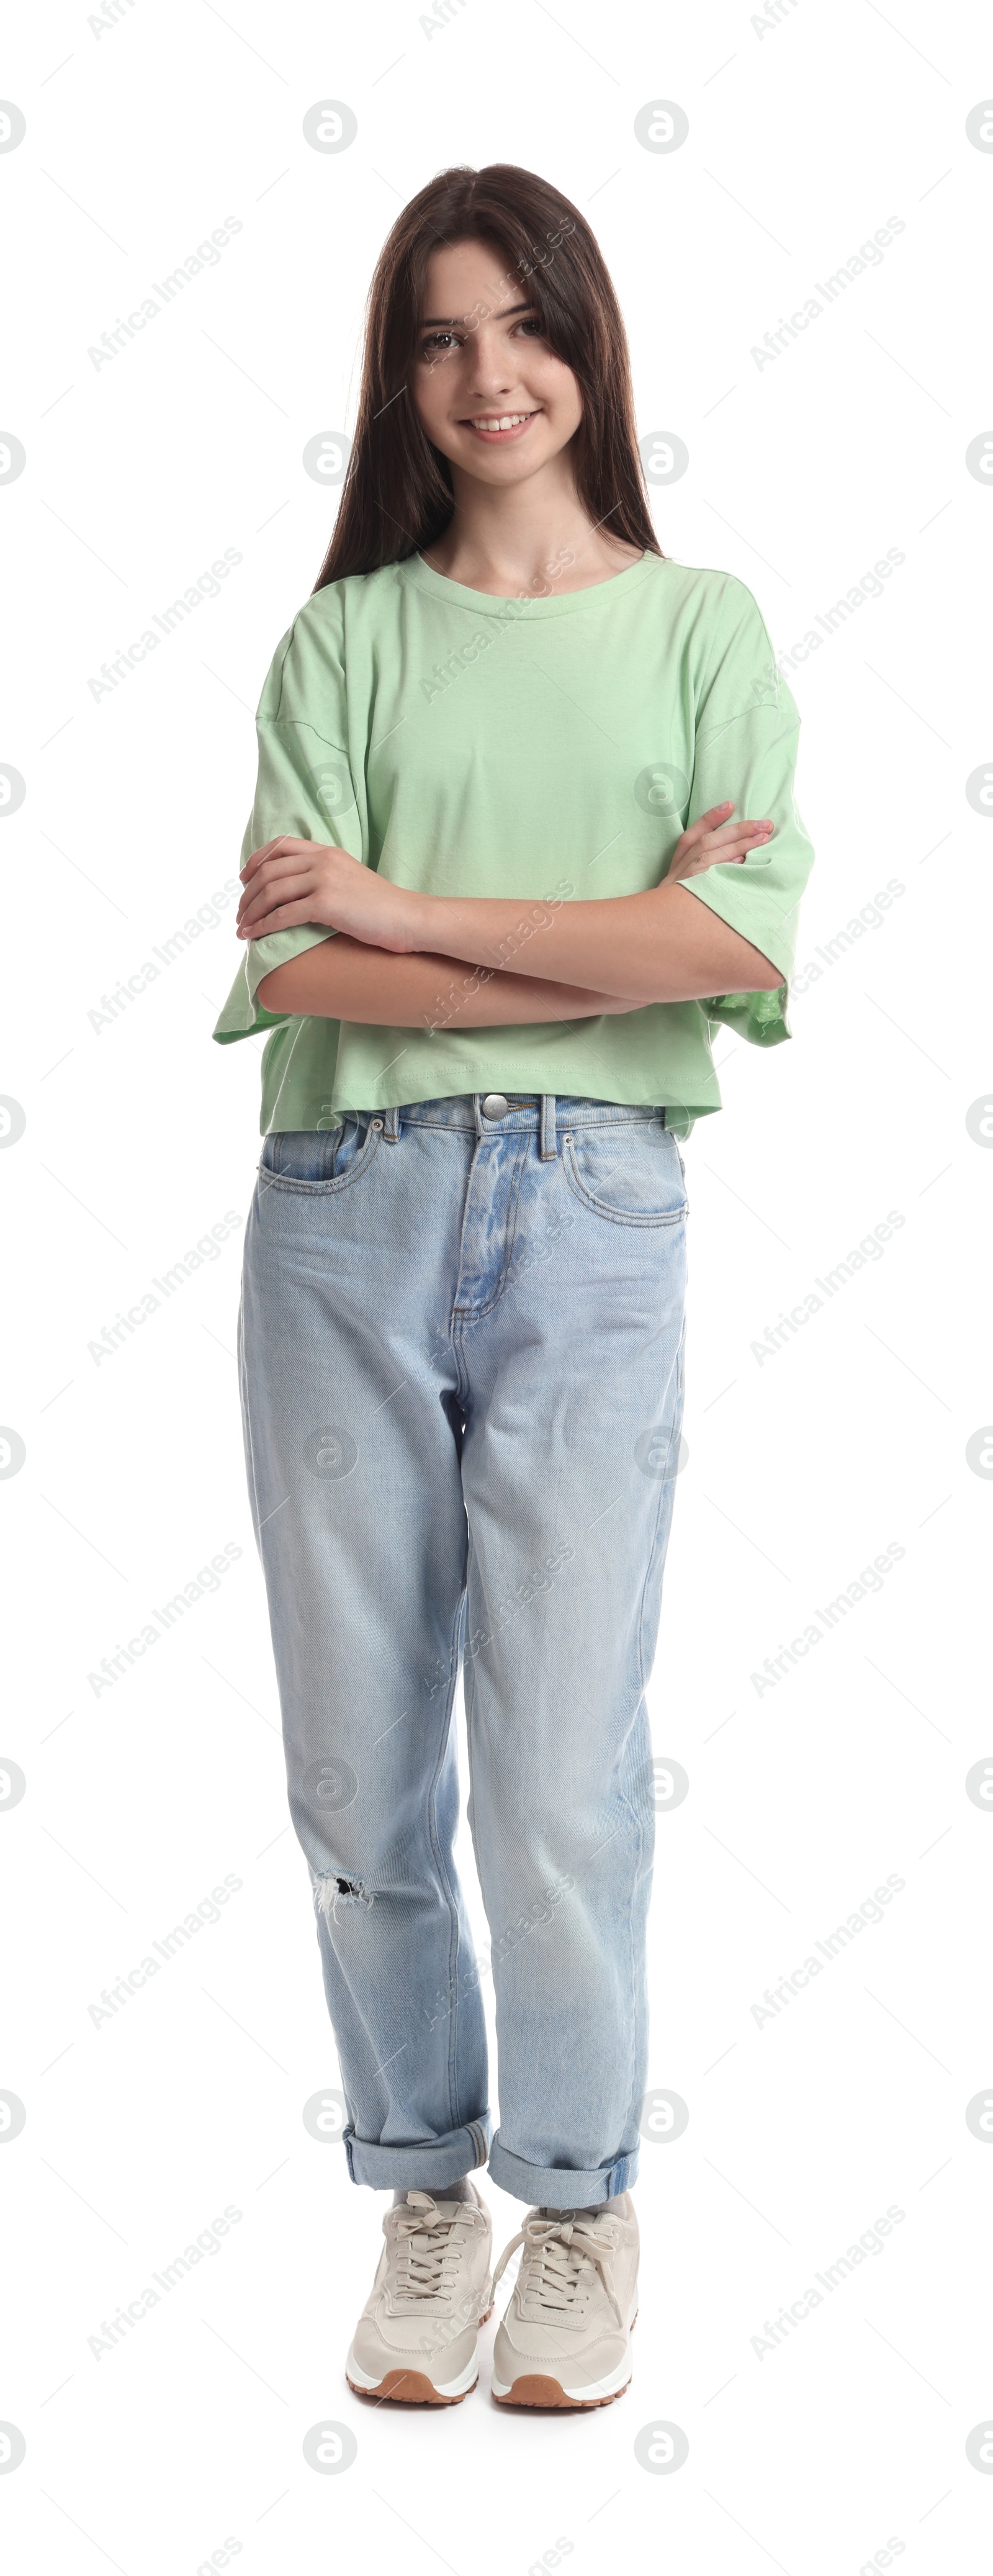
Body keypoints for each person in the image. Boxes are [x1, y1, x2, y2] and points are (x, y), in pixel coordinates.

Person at [213, 161, 814, 2413]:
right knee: (360, 1775)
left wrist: (414, 914)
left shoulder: (702, 631)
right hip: (342, 1213)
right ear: (403, 374)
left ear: (589, 337)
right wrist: (582, 942)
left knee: (559, 1773)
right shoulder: (342, 638)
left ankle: (577, 2208)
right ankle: (420, 2187)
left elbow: (734, 954)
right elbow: (294, 965)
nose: (488, 376)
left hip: (595, 1224)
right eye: (439, 339)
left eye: (522, 325)